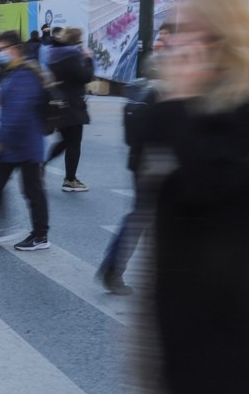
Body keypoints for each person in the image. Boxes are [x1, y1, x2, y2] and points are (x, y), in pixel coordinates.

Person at [134, 0, 249, 393]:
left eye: (187, 28)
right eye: (174, 28)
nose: (174, 40)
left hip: (238, 287)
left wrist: (179, 102)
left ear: (220, 33)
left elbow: (211, 184)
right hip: (178, 279)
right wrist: (174, 99)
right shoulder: (175, 94)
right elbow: (139, 158)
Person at [96, 24, 170, 295]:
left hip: (141, 160)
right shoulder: (166, 90)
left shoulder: (139, 87)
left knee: (142, 216)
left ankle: (115, 267)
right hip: (162, 162)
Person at [0, 30, 51, 251]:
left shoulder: (24, 75)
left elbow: (18, 112)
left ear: (15, 49)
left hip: (24, 143)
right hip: (16, 143)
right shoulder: (14, 72)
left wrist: (0, 141)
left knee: (31, 189)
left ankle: (40, 235)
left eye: (1, 48)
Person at [43, 27, 94, 192]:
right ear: (76, 40)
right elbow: (85, 76)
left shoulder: (53, 54)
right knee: (73, 143)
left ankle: (42, 165)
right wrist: (88, 60)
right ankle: (70, 179)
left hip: (58, 102)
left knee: (65, 141)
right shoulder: (72, 55)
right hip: (72, 104)